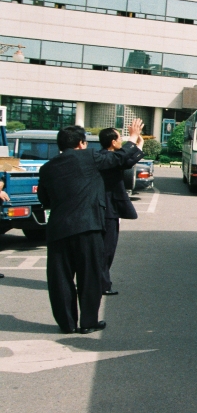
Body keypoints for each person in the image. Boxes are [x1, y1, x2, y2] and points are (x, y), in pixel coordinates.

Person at [38, 119, 145, 334]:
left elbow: (44, 199)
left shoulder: (47, 168)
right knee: (90, 277)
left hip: (58, 230)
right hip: (88, 227)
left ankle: (67, 324)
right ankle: (88, 322)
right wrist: (133, 137)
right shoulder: (90, 157)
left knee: (60, 280)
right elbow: (120, 158)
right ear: (81, 143)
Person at [98, 127, 145, 296]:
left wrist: (139, 145)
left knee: (106, 249)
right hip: (106, 210)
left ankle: (100, 281)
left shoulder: (109, 157)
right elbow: (121, 158)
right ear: (113, 142)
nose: (121, 141)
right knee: (106, 250)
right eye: (119, 138)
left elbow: (126, 161)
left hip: (109, 209)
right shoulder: (105, 157)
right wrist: (133, 139)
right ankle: (101, 284)